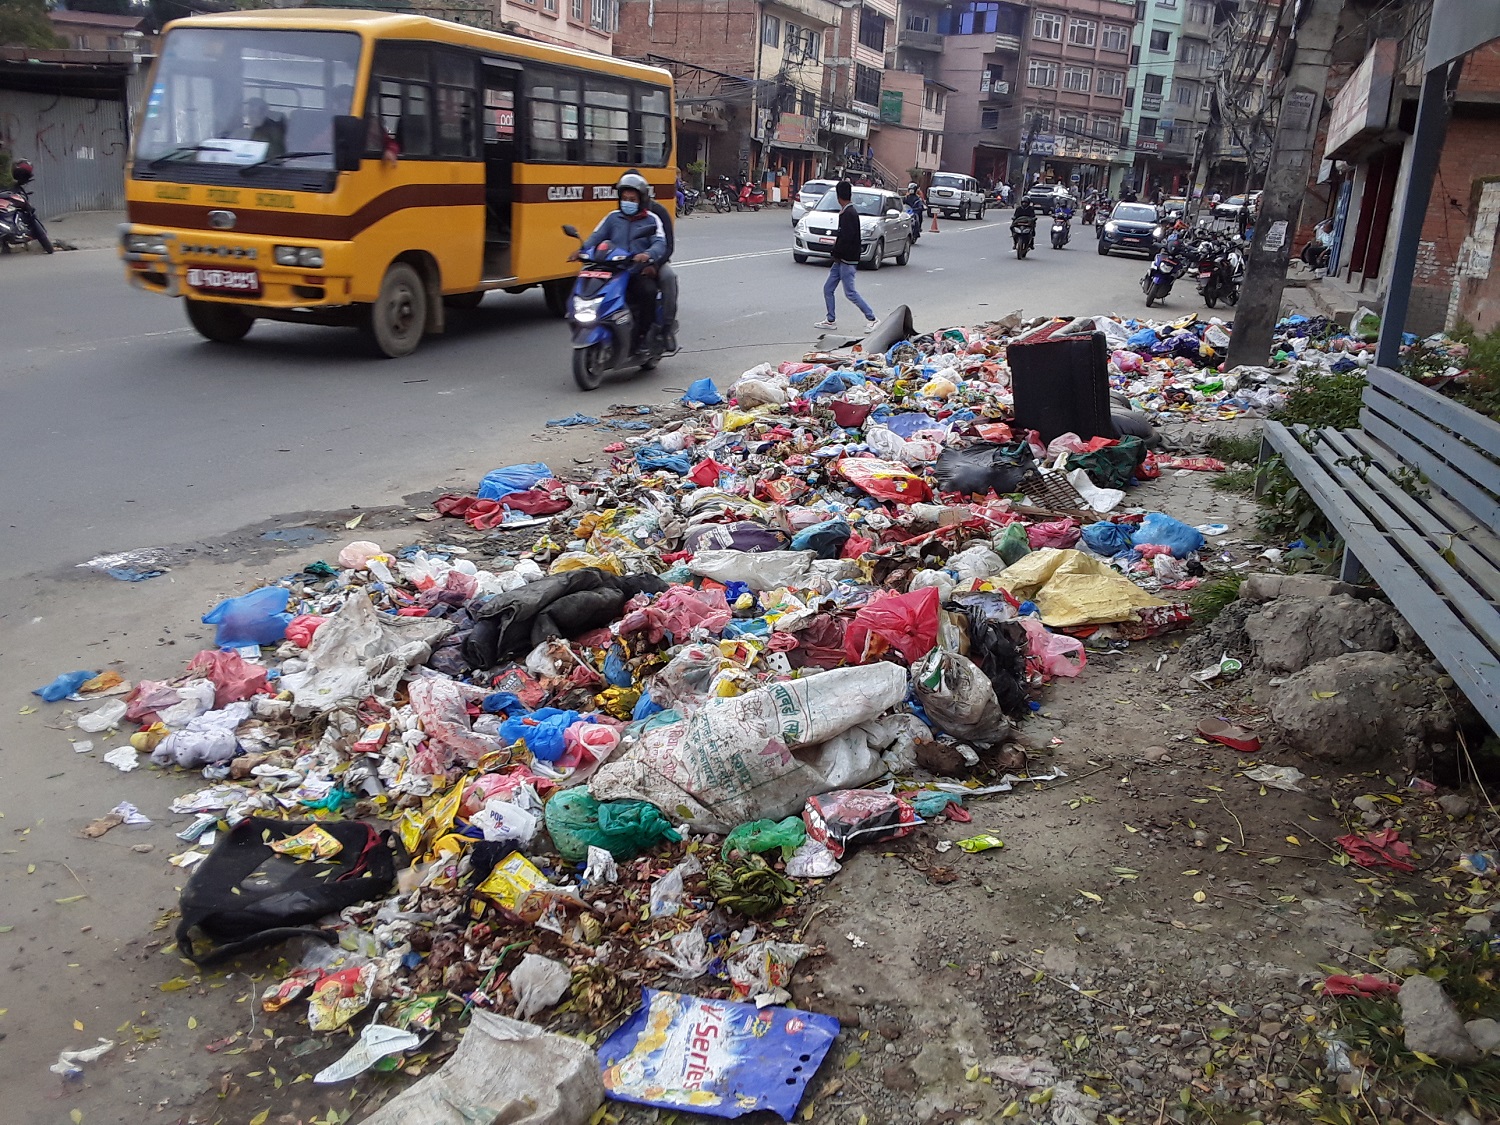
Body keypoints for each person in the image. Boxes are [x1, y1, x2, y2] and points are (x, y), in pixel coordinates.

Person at [575, 171, 667, 354]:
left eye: (632, 199)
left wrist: (647, 255)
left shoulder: (652, 219)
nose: (628, 202)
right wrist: (582, 250)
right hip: (612, 270)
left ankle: (642, 337)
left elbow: (660, 243)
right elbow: (596, 237)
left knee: (647, 292)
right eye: (625, 198)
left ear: (640, 200)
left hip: (636, 271)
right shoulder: (612, 217)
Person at [623, 167, 678, 352]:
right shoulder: (618, 215)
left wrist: (654, 264)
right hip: (626, 262)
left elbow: (668, 246)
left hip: (655, 261)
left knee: (669, 278)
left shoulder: (657, 213)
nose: (628, 199)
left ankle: (667, 330)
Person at [815, 180, 877, 333]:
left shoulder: (849, 213)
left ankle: (872, 318)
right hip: (840, 260)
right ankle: (830, 320)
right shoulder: (847, 212)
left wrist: (836, 252)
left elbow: (847, 238)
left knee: (850, 293)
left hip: (847, 260)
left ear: (838, 196)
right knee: (828, 288)